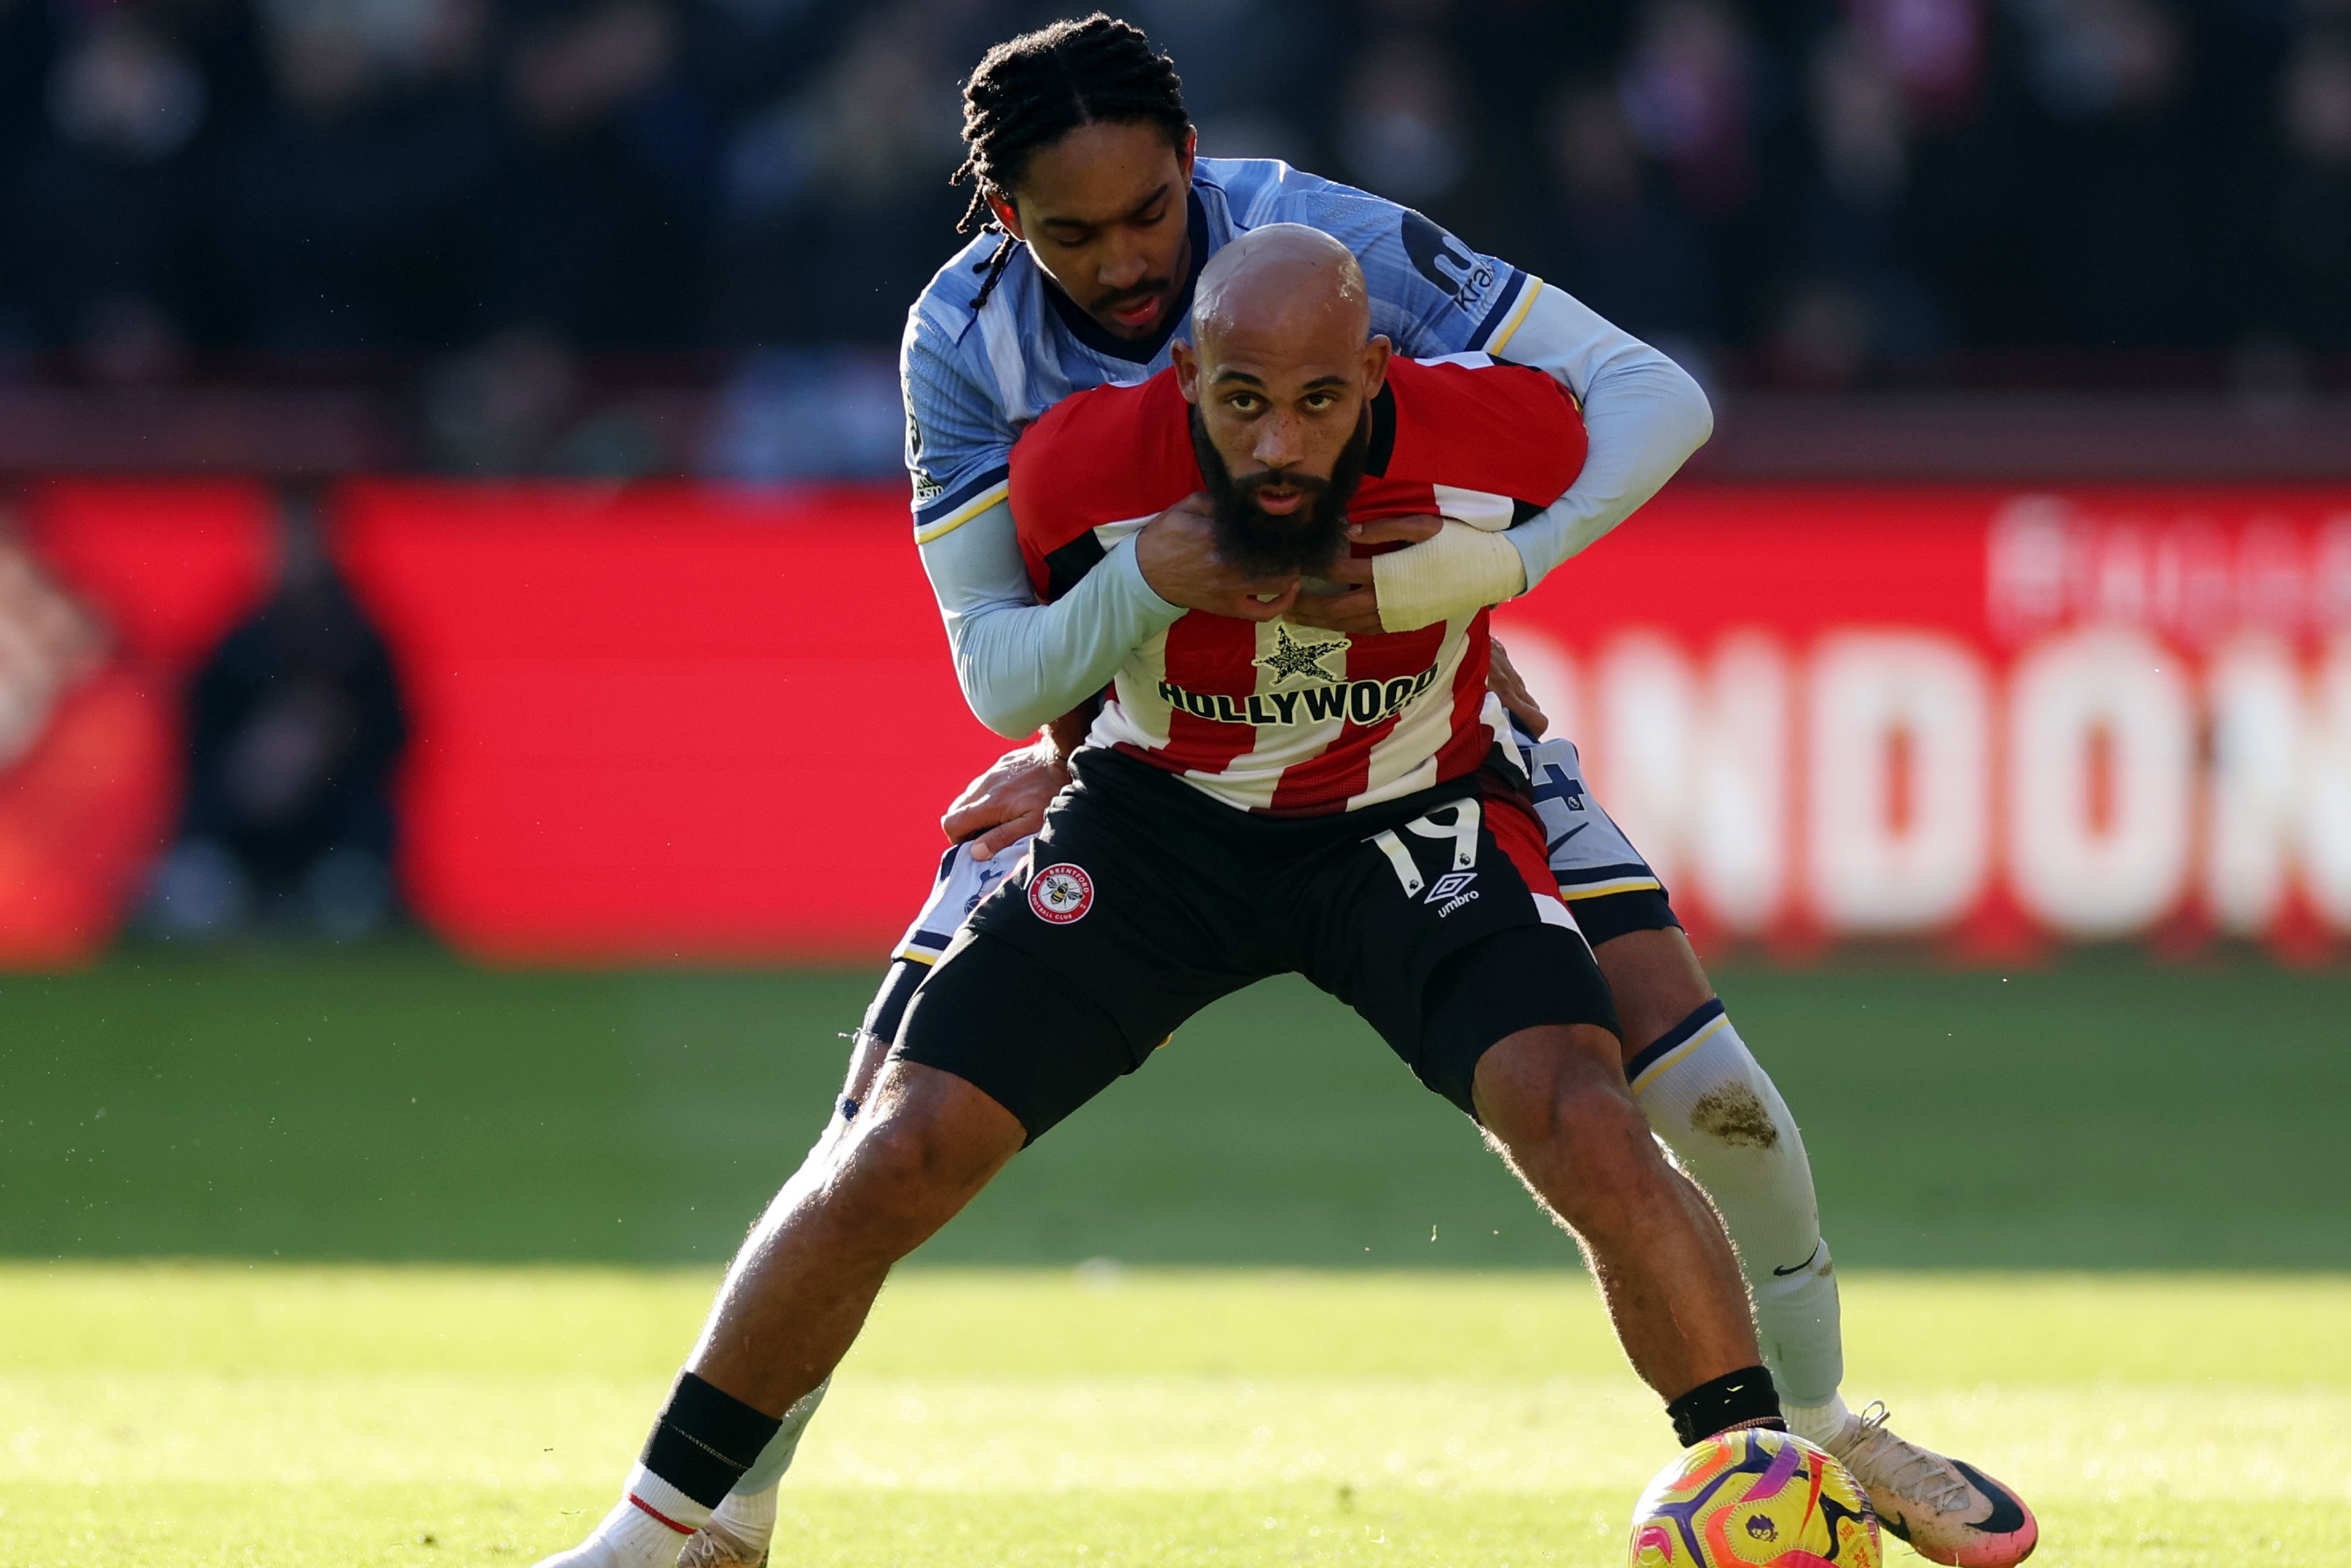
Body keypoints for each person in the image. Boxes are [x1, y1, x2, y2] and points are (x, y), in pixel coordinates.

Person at [667, 17, 2038, 1568]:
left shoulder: (1328, 249)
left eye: (1147, 217)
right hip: (1134, 751)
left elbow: (1642, 395)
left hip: (1420, 728)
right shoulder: (963, 341)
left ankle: (1821, 1434)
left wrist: (1498, 568)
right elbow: (1001, 660)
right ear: (1004, 223)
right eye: (1072, 235)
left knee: (1699, 1084)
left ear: (1195, 167)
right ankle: (731, 1512)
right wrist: (1090, 696)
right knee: (879, 1122)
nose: (1123, 263)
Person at [540, 220, 1791, 1568]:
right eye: (1242, 401)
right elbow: (1015, 655)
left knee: (1582, 1115)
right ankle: (648, 1539)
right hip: (1157, 829)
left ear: (1377, 373)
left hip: (1411, 816)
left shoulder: (1502, 435)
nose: (1278, 445)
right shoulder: (1078, 467)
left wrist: (1495, 580)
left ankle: (1767, 1495)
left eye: (1319, 401)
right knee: (898, 1148)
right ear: (1187, 374)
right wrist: (1058, 742)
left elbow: (1657, 423)